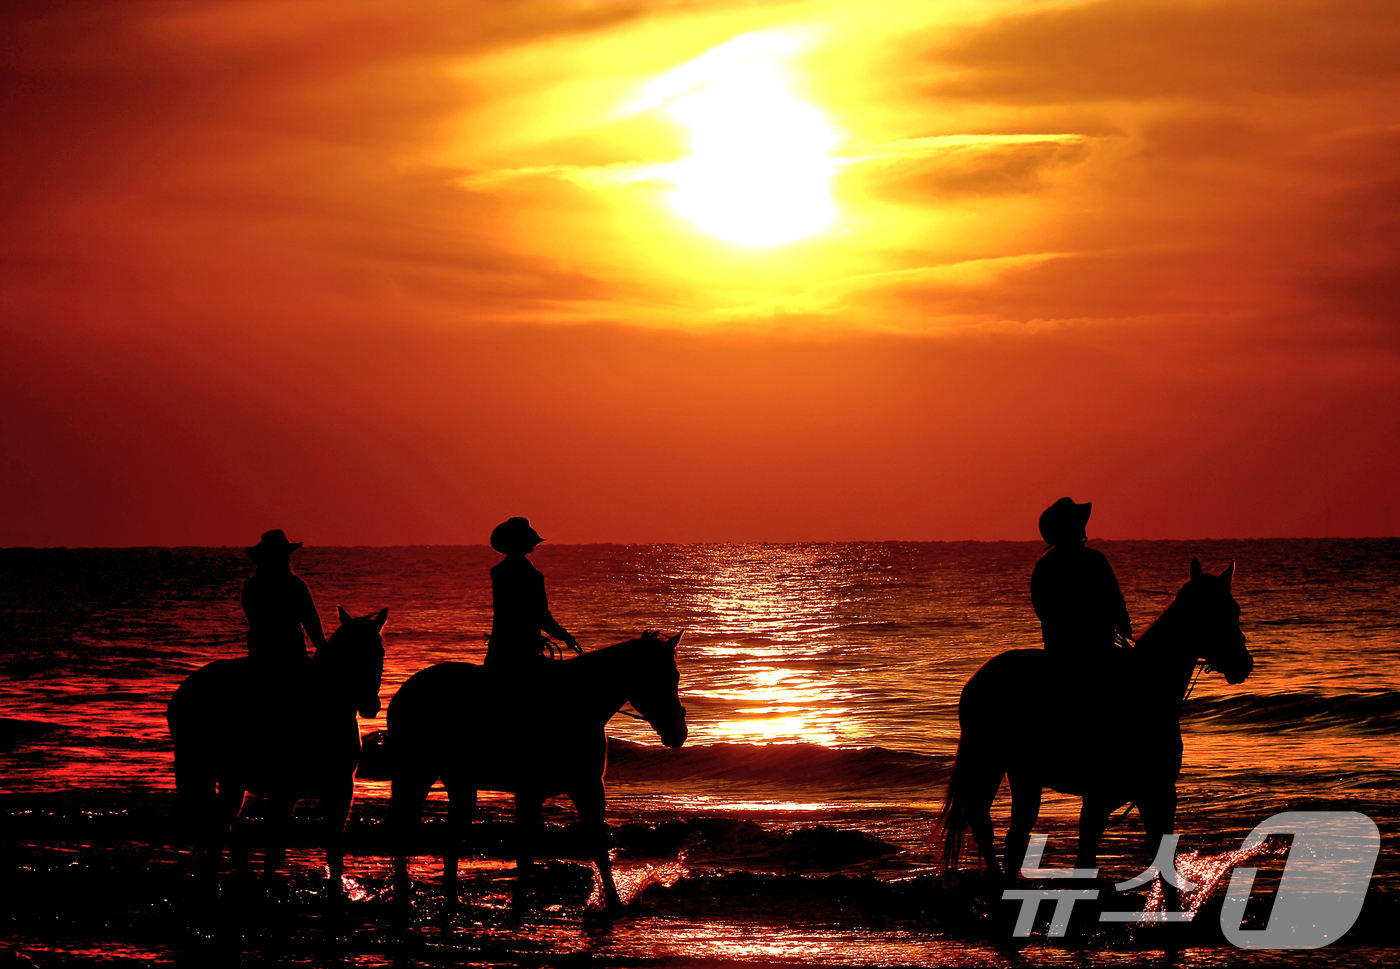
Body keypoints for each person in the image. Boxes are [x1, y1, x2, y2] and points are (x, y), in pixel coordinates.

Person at [1031, 498, 1133, 662]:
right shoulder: (1096, 560)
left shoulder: (1044, 565)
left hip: (1057, 648)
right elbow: (1114, 599)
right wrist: (1124, 627)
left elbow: (1042, 608)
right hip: (1098, 647)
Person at [485, 517, 580, 671]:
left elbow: (509, 612)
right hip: (525, 653)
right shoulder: (533, 575)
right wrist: (565, 637)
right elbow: (541, 615)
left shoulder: (498, 572)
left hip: (498, 650)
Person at [242, 528, 326, 666]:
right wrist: (322, 648)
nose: (288, 558)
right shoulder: (295, 586)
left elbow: (255, 621)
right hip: (292, 655)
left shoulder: (251, 586)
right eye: (285, 555)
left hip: (259, 655)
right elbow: (311, 623)